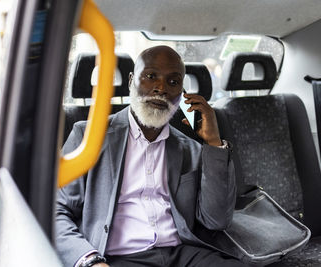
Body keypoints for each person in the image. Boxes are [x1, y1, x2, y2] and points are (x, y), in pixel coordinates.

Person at [56, 46, 245, 267]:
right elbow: (55, 212)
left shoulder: (190, 149)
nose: (161, 88)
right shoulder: (88, 137)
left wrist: (213, 143)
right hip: (117, 258)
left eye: (173, 82)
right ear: (130, 81)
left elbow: (217, 220)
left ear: (182, 93)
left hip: (182, 254)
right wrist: (89, 260)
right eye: (150, 76)